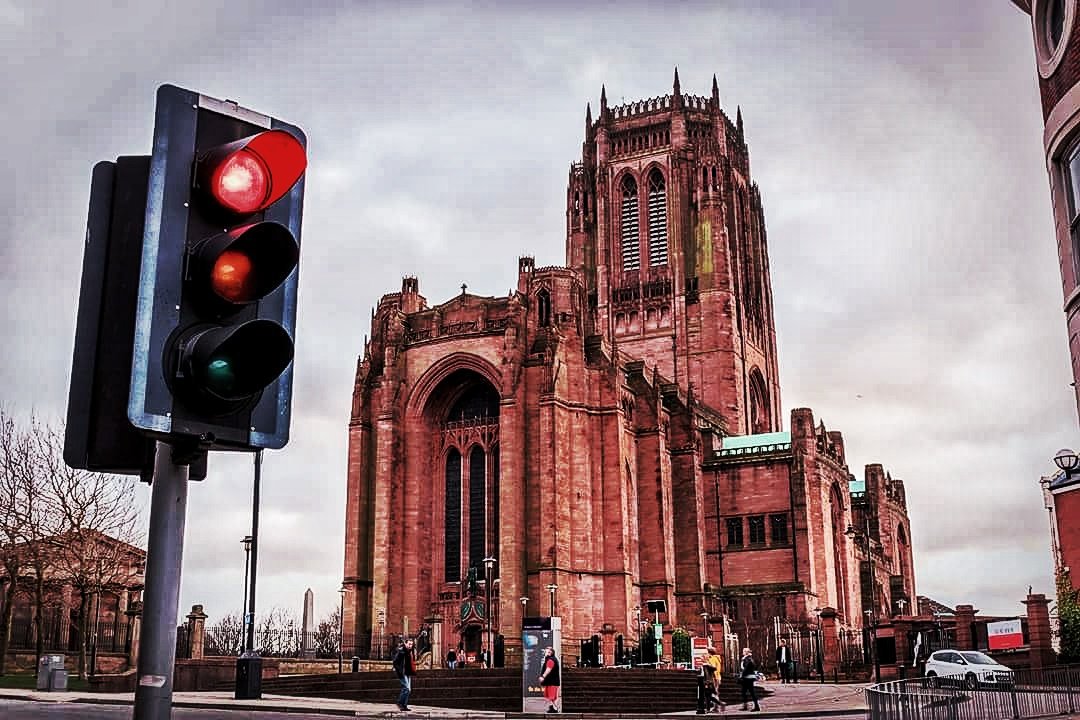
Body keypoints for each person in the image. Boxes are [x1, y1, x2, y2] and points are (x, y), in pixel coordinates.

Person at [392, 638, 416, 711]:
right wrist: (399, 671)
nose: (410, 645)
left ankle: (404, 705)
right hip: (403, 673)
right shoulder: (401, 651)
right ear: (405, 643)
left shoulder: (410, 652)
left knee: (408, 689)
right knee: (407, 688)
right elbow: (395, 662)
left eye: (411, 644)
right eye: (409, 644)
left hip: (408, 673)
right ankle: (400, 703)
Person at [538, 646, 561, 713]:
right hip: (552, 681)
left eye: (546, 652)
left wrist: (543, 677)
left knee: (552, 696)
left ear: (550, 653)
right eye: (545, 651)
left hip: (552, 682)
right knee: (550, 696)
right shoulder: (551, 659)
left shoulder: (550, 660)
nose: (545, 653)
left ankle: (555, 708)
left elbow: (548, 669)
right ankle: (552, 707)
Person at [738, 647, 760, 712]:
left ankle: (755, 706)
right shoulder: (747, 659)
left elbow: (746, 668)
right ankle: (747, 705)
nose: (742, 652)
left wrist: (742, 676)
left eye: (744, 651)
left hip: (747, 678)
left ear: (746, 652)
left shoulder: (747, 659)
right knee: (745, 692)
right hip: (748, 677)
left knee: (749, 692)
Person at [705, 646, 725, 713]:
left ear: (709, 653)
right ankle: (716, 707)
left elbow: (712, 668)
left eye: (706, 652)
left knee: (713, 693)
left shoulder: (712, 659)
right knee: (714, 693)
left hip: (714, 678)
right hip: (717, 677)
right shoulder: (717, 658)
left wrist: (707, 663)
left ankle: (717, 707)